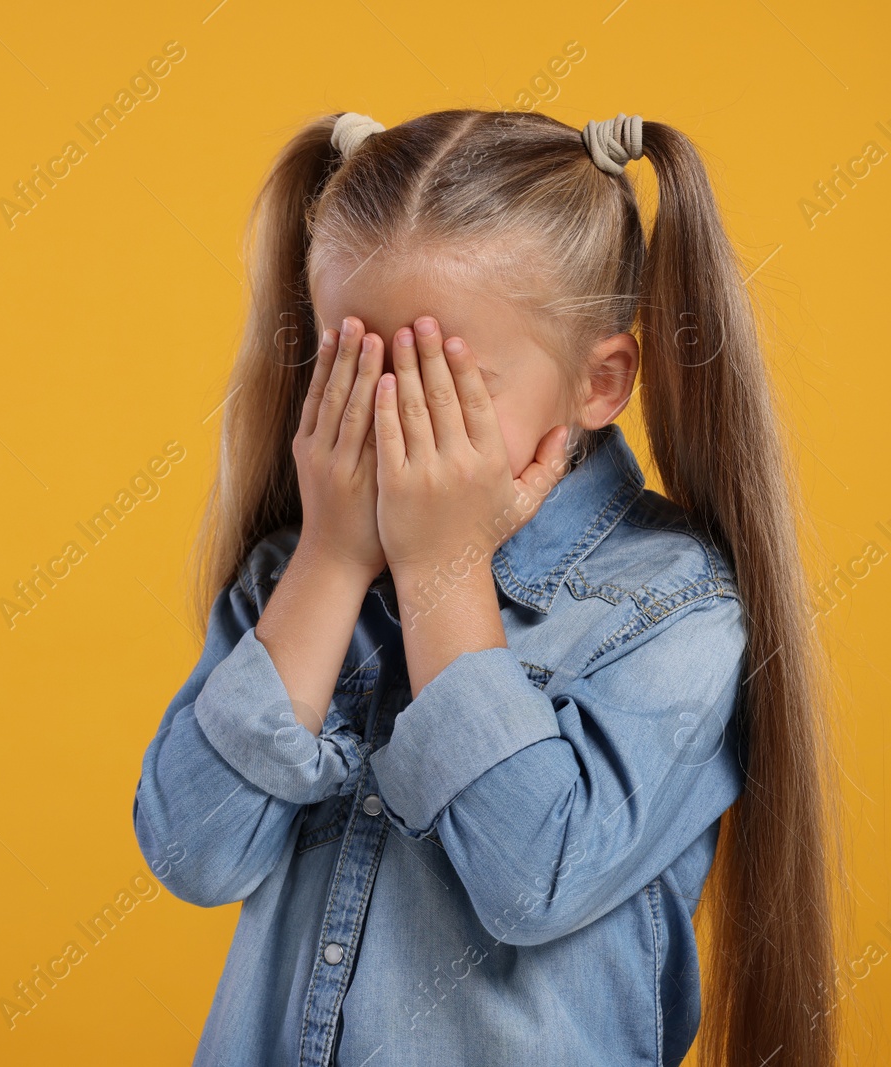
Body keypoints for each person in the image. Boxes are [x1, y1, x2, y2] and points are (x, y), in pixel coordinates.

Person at [132, 109, 840, 1067]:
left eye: (444, 388)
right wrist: (335, 563)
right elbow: (193, 856)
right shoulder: (294, 575)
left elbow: (534, 879)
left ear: (600, 383)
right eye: (357, 371)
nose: (393, 426)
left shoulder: (672, 606)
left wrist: (441, 571)